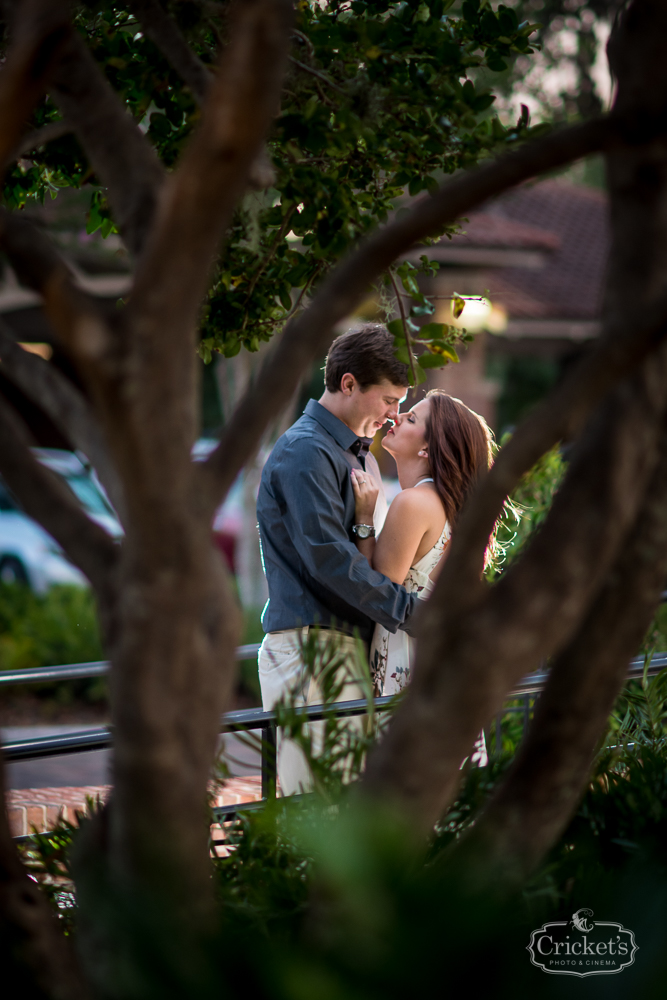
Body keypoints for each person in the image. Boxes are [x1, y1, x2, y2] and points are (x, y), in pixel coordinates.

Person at [256, 324, 418, 794]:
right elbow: (328, 560)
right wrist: (413, 615)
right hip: (312, 648)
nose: (394, 415)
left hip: (342, 646)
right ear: (348, 384)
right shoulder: (306, 451)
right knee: (313, 808)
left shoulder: (354, 454)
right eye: (389, 400)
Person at [351, 391, 493, 722]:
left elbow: (378, 590)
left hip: (407, 665)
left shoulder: (414, 503)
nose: (396, 417)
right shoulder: (449, 507)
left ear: (427, 448)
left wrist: (363, 519)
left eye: (411, 418)